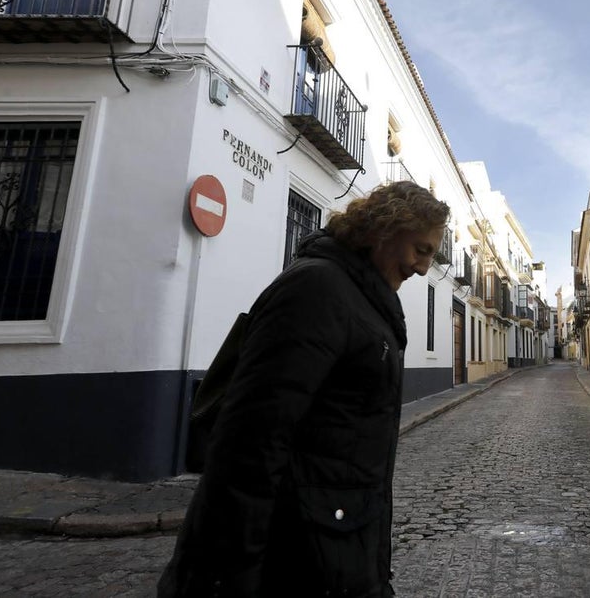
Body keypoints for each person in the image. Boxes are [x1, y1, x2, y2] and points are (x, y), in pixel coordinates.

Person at [159, 181, 449, 597]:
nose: (423, 268)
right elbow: (251, 442)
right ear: (386, 228)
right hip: (294, 559)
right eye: (420, 250)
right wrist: (231, 577)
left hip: (333, 547)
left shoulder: (362, 298)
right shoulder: (317, 290)